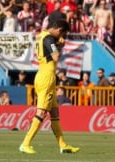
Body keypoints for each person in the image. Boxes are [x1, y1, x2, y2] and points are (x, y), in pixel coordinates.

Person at [19, 19, 79, 154]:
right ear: (58, 29)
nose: (62, 36)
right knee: (41, 112)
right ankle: (25, 143)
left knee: (54, 113)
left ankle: (63, 145)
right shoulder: (49, 38)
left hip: (44, 75)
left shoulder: (42, 36)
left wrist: (58, 44)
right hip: (46, 77)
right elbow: (56, 56)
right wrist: (60, 47)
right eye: (62, 33)